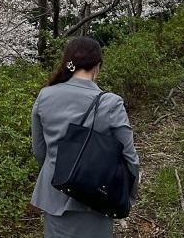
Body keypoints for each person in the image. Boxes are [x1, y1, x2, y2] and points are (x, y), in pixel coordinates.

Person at [30, 36, 140, 238]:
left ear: (68, 64)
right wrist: (127, 196)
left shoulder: (45, 96)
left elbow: (39, 151)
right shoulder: (111, 103)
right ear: (97, 66)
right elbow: (130, 158)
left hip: (54, 198)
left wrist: (61, 174)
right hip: (97, 199)